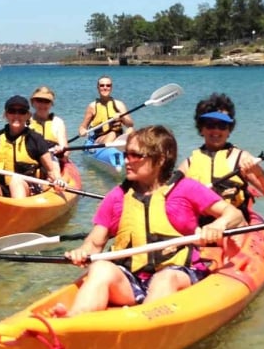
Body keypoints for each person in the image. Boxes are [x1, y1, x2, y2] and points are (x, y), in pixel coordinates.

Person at [53, 125, 246, 317]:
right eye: (126, 154)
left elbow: (234, 214)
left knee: (165, 278)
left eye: (135, 156)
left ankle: (143, 324)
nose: (126, 160)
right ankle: (72, 319)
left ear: (160, 159)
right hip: (131, 279)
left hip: (177, 273)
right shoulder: (117, 196)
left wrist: (217, 225)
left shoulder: (186, 188)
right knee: (100, 268)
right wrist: (82, 252)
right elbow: (95, 243)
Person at [177, 93, 264, 213]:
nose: (216, 130)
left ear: (229, 130)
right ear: (201, 128)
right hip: (201, 223)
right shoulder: (188, 164)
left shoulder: (242, 159)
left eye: (222, 125)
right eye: (210, 124)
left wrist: (259, 172)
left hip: (235, 222)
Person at [0, 94, 62, 199]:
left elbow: (51, 171)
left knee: (16, 180)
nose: (16, 115)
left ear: (28, 115)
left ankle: (19, 207)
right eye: (12, 111)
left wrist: (58, 180)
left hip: (27, 188)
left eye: (21, 111)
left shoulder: (36, 139)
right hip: (1, 187)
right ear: (6, 115)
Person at [79, 76, 132, 145]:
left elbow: (130, 124)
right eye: (102, 85)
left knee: (131, 130)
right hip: (100, 138)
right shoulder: (92, 106)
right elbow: (83, 126)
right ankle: (107, 149)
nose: (105, 87)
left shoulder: (119, 104)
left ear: (111, 88)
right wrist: (82, 131)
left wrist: (122, 117)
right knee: (112, 134)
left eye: (108, 85)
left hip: (117, 136)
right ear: (98, 88)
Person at [28, 86, 68, 160]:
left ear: (51, 104)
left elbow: (65, 151)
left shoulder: (58, 122)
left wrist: (60, 150)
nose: (43, 104)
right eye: (39, 100)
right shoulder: (26, 122)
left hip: (52, 158)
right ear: (32, 102)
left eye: (46, 101)